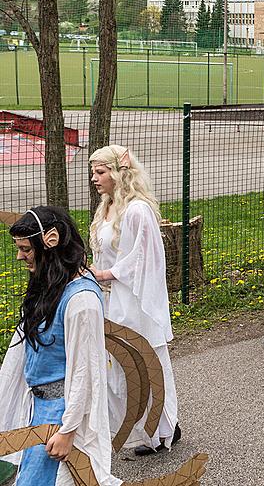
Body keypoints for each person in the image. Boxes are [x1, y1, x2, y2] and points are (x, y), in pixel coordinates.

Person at [1, 208, 116, 486]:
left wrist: (68, 430)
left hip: (61, 414)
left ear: (51, 240)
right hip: (39, 410)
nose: (20, 256)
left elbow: (85, 372)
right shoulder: (52, 286)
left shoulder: (81, 300)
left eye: (26, 249)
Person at [88, 145, 180, 455]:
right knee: (120, 369)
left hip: (132, 300)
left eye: (100, 172)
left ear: (118, 172)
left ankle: (163, 428)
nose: (94, 178)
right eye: (93, 172)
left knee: (144, 364)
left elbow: (145, 256)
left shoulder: (137, 210)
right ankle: (139, 427)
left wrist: (108, 273)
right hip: (109, 299)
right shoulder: (107, 207)